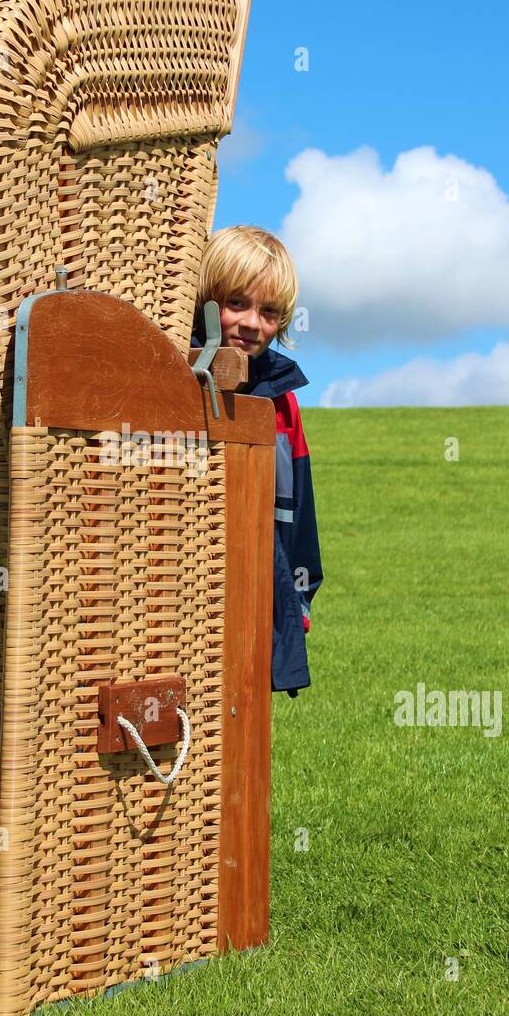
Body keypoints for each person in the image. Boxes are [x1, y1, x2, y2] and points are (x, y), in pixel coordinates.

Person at [191, 226, 323, 697]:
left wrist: (297, 603)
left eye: (269, 312)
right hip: (186, 595)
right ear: (205, 298)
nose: (252, 323)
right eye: (237, 303)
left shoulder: (282, 402)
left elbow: (298, 513)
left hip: (258, 599)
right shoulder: (173, 380)